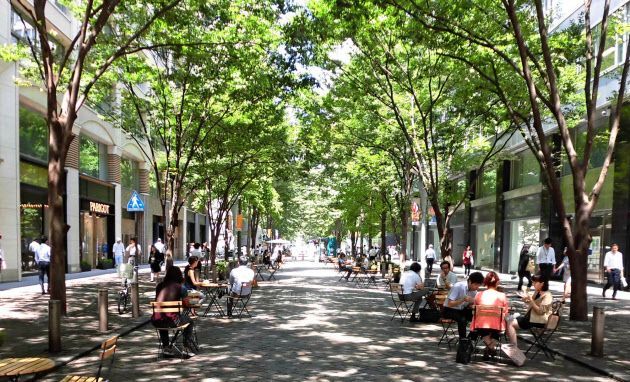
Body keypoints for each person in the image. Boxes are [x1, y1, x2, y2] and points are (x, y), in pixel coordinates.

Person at [151, 265, 194, 355]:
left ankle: (166, 347)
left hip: (156, 320)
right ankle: (186, 347)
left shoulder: (159, 286)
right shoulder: (181, 288)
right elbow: (187, 304)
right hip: (174, 321)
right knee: (190, 321)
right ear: (179, 275)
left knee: (162, 317)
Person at [505, 274, 553, 349]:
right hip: (530, 318)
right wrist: (525, 299)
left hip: (538, 320)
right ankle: (512, 345)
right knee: (508, 320)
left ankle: (513, 347)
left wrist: (531, 300)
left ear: (542, 283)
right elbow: (531, 302)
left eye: (535, 283)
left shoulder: (547, 295)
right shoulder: (538, 291)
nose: (533, 284)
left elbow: (541, 312)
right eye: (533, 282)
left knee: (510, 323)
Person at [469, 271, 508, 359]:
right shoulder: (502, 296)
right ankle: (491, 348)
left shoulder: (479, 294)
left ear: (485, 282)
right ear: (497, 282)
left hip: (480, 325)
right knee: (496, 328)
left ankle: (489, 348)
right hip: (497, 326)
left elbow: (474, 308)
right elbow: (505, 312)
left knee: (483, 328)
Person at [442, 271, 484, 338]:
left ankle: (470, 339)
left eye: (479, 285)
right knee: (462, 320)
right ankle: (463, 341)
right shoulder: (458, 286)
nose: (477, 287)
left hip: (461, 310)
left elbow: (469, 305)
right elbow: (450, 304)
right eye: (476, 284)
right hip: (449, 310)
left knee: (479, 318)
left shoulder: (474, 292)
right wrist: (463, 300)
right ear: (470, 281)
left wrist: (472, 304)